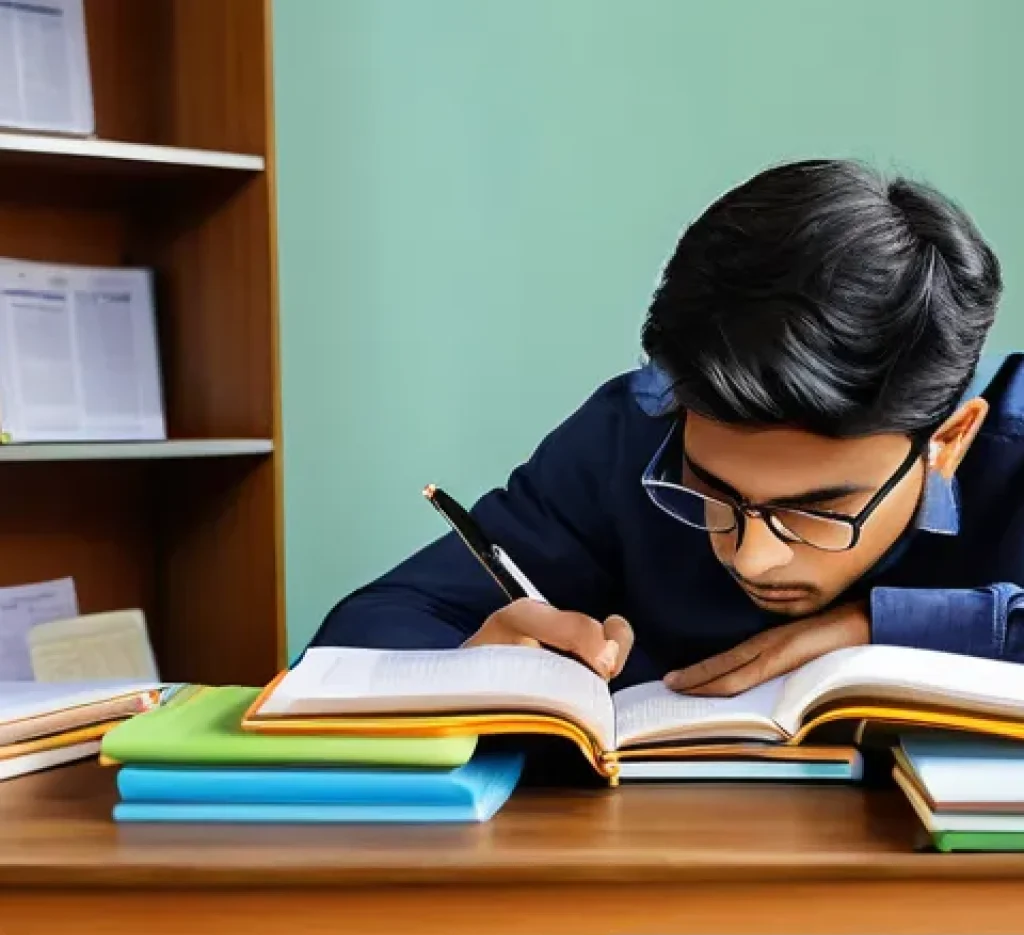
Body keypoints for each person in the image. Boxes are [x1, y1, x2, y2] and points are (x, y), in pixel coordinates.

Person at [308, 158, 1019, 696]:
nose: (752, 559)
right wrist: (471, 665)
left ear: (949, 441)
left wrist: (883, 625)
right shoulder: (633, 428)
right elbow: (365, 633)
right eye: (711, 489)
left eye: (819, 510)